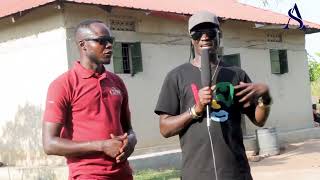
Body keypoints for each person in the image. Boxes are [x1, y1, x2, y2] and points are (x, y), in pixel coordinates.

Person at [155, 11, 272, 180]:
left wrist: (265, 99)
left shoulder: (236, 75)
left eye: (210, 32)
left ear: (219, 35)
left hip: (235, 173)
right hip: (196, 174)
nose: (204, 37)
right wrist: (196, 109)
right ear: (191, 38)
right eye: (197, 33)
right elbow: (165, 128)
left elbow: (258, 120)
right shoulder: (176, 76)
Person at [42, 19, 137, 180]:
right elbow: (49, 144)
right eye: (102, 41)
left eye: (110, 41)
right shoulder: (63, 85)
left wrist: (131, 143)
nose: (109, 46)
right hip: (88, 175)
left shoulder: (116, 82)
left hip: (122, 173)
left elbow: (129, 130)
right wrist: (101, 146)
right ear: (83, 45)